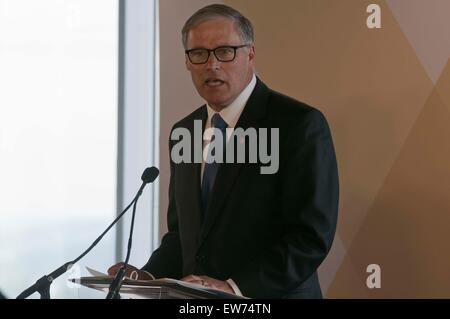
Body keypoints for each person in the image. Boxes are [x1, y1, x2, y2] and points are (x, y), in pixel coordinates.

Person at [109, 4, 339, 299]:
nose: (212, 64)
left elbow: (310, 238)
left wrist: (232, 287)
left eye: (225, 51)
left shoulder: (298, 125)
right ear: (188, 62)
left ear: (250, 54)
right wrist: (147, 275)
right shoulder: (185, 131)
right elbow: (184, 237)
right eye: (199, 54)